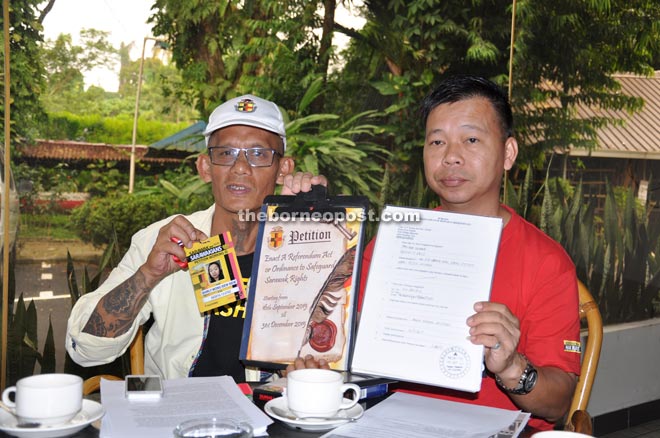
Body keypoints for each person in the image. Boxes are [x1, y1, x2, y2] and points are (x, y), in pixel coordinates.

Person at [357, 75, 581, 431]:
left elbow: (558, 403)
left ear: (508, 153)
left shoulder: (546, 264)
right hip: (389, 423)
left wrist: (510, 366)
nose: (450, 157)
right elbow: (340, 342)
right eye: (437, 142)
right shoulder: (395, 241)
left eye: (471, 139)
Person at [66, 94, 328, 382]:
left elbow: (334, 346)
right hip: (179, 412)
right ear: (205, 168)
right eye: (226, 153)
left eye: (258, 154)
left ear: (283, 169)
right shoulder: (166, 239)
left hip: (272, 412)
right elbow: (86, 350)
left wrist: (315, 226)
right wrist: (148, 275)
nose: (240, 168)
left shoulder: (307, 246)